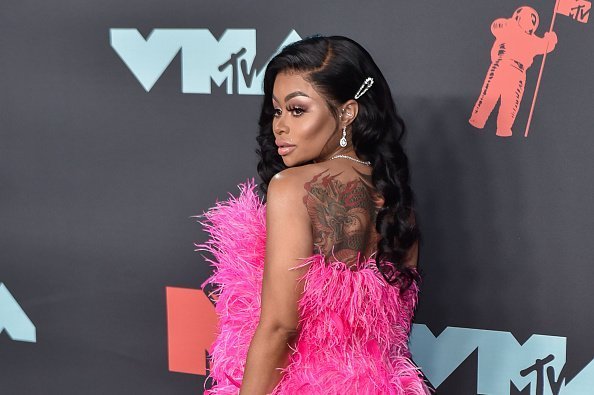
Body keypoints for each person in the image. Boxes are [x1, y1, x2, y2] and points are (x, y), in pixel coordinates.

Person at [197, 35, 431, 394]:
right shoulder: (396, 200)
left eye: (297, 109)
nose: (279, 126)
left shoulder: (292, 187)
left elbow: (280, 326)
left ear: (347, 112)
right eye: (276, 110)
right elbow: (395, 330)